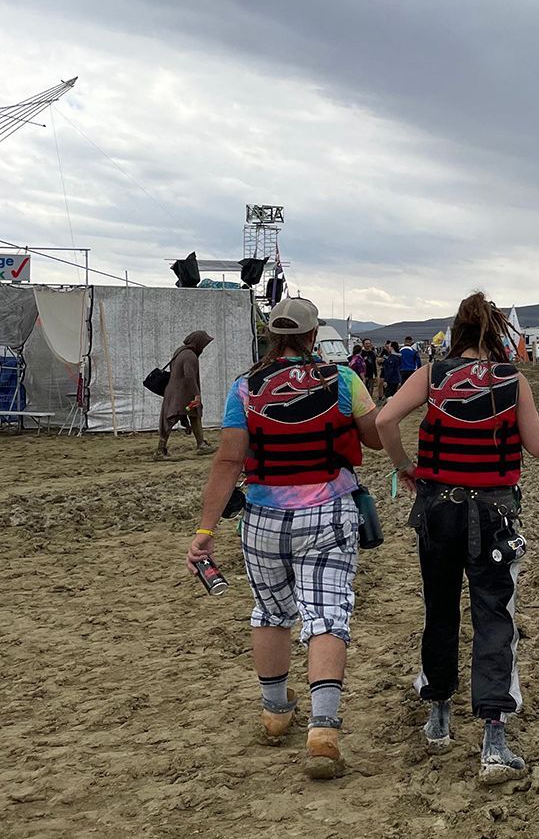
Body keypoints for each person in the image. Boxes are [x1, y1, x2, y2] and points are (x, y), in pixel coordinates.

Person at [185, 297, 380, 779]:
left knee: (270, 611)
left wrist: (205, 530)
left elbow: (228, 461)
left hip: (263, 516)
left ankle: (275, 713)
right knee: (327, 613)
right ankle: (323, 729)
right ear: (313, 336)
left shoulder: (245, 387)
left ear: (272, 336)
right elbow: (374, 437)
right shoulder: (342, 380)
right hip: (328, 511)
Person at [379, 293, 539, 787]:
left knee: (440, 608)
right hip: (493, 512)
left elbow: (386, 419)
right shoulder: (512, 380)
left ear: (456, 331)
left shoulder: (432, 375)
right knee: (494, 616)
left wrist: (403, 466)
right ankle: (494, 740)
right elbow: (537, 446)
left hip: (439, 508)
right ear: (495, 332)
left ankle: (439, 716)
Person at [158, 330, 213, 457]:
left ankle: (201, 443)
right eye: (203, 344)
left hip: (176, 390)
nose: (203, 347)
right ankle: (160, 450)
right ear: (198, 342)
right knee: (170, 419)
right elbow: (189, 377)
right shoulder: (190, 356)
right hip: (182, 393)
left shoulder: (180, 351)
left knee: (194, 415)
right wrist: (196, 394)